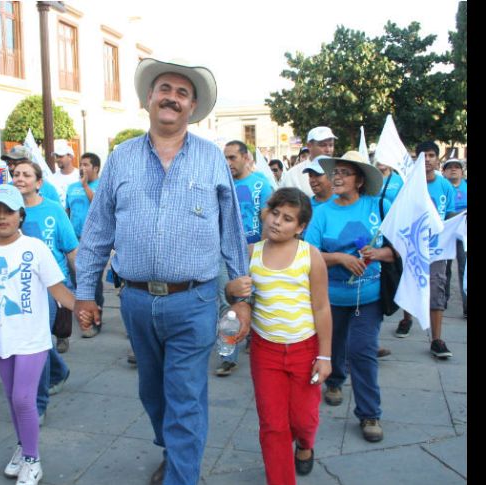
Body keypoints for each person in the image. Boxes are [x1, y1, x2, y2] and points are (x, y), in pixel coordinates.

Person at [73, 57, 251, 485]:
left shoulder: (211, 159)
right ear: (148, 98)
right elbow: (97, 230)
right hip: (133, 300)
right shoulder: (120, 158)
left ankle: (181, 474)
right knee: (153, 395)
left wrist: (241, 299)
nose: (172, 97)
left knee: (186, 397)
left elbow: (232, 233)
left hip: (194, 301)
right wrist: (83, 294)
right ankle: (173, 452)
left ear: (192, 107)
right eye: (164, 89)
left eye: (182, 93)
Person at [0, 184, 77, 484]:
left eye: (9, 212)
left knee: (24, 399)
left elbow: (57, 289)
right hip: (0, 340)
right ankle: (23, 446)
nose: (2, 218)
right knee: (14, 399)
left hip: (32, 339)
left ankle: (32, 459)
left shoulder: (35, 248)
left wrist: (82, 308)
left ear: (20, 216)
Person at [227, 187, 332, 484]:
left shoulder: (310, 256)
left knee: (303, 420)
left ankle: (305, 444)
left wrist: (325, 356)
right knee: (273, 425)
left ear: (300, 227)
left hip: (305, 349)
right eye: (274, 213)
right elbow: (235, 294)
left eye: (287, 219)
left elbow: (322, 308)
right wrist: (231, 291)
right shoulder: (251, 254)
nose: (277, 222)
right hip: (265, 351)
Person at [305, 150, 396, 443]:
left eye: (345, 173)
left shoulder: (380, 205)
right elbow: (310, 254)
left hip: (368, 297)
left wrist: (378, 253)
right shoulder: (321, 213)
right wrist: (341, 259)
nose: (338, 177)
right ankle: (334, 381)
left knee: (362, 350)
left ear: (359, 180)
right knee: (334, 345)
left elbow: (404, 247)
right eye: (336, 172)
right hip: (329, 297)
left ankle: (370, 413)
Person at [11, 158, 77, 422]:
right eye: (16, 174)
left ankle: (38, 405)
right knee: (35, 339)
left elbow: (71, 248)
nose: (20, 178)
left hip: (51, 286)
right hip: (20, 285)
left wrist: (82, 289)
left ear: (39, 183)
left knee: (36, 340)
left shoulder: (53, 210)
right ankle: (58, 370)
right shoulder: (9, 210)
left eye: (26, 174)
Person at [394, 142, 457, 358]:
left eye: (432, 155)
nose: (428, 159)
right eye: (423, 155)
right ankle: (407, 318)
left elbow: (449, 214)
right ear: (417, 159)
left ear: (437, 159)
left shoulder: (445, 186)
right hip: (413, 245)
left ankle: (437, 339)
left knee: (437, 288)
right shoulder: (409, 185)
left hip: (437, 248)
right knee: (411, 281)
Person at [216, 140, 273, 376]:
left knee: (256, 302)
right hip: (224, 256)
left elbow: (269, 219)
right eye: (225, 158)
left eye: (232, 157)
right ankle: (228, 355)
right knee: (226, 304)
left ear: (246, 157)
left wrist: (260, 249)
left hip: (256, 255)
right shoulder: (219, 185)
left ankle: (255, 341)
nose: (228, 162)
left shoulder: (261, 184)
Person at [65, 152, 107, 338]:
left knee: (93, 280)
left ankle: (95, 319)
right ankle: (84, 313)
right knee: (77, 280)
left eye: (86, 164)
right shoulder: (71, 188)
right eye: (80, 164)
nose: (82, 168)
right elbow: (68, 211)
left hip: (94, 241)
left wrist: (84, 185)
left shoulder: (102, 186)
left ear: (96, 168)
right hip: (74, 241)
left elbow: (98, 205)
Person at [279, 127, 337, 197]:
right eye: (323, 145)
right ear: (309, 146)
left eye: (331, 145)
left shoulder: (340, 171)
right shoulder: (293, 175)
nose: (328, 150)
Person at [442, 158, 467, 317]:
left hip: (464, 233)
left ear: (462, 171)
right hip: (446, 231)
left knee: (464, 268)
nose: (453, 170)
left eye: (456, 167)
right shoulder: (443, 186)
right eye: (449, 167)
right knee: (444, 268)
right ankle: (442, 300)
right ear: (444, 171)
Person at [50, 140, 80, 207]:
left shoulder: (80, 177)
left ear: (70, 157)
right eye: (56, 156)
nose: (57, 159)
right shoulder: (51, 179)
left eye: (60, 156)